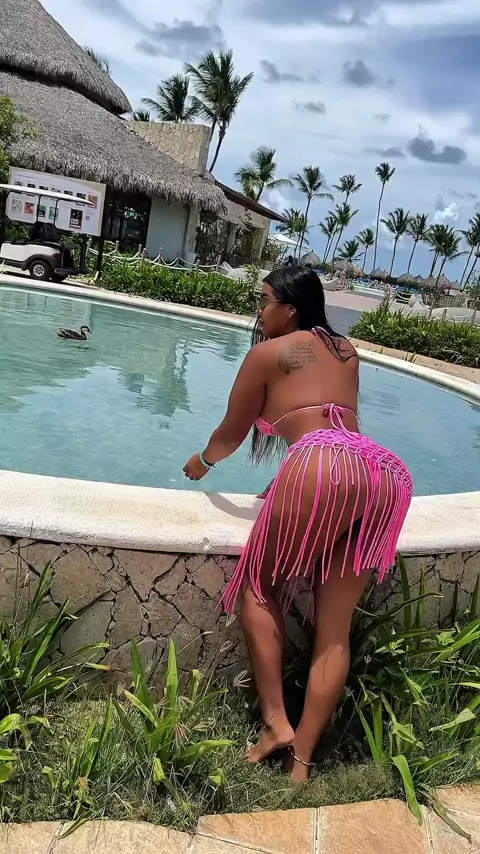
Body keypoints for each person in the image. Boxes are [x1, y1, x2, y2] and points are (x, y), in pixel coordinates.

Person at [183, 266, 413, 782]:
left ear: (289, 308)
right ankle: (302, 766)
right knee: (335, 629)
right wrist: (289, 484)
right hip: (382, 473)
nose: (258, 311)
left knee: (259, 586)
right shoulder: (346, 350)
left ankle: (275, 724)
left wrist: (203, 461)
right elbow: (338, 426)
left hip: (321, 465)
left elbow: (231, 434)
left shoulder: (267, 353)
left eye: (264, 301)